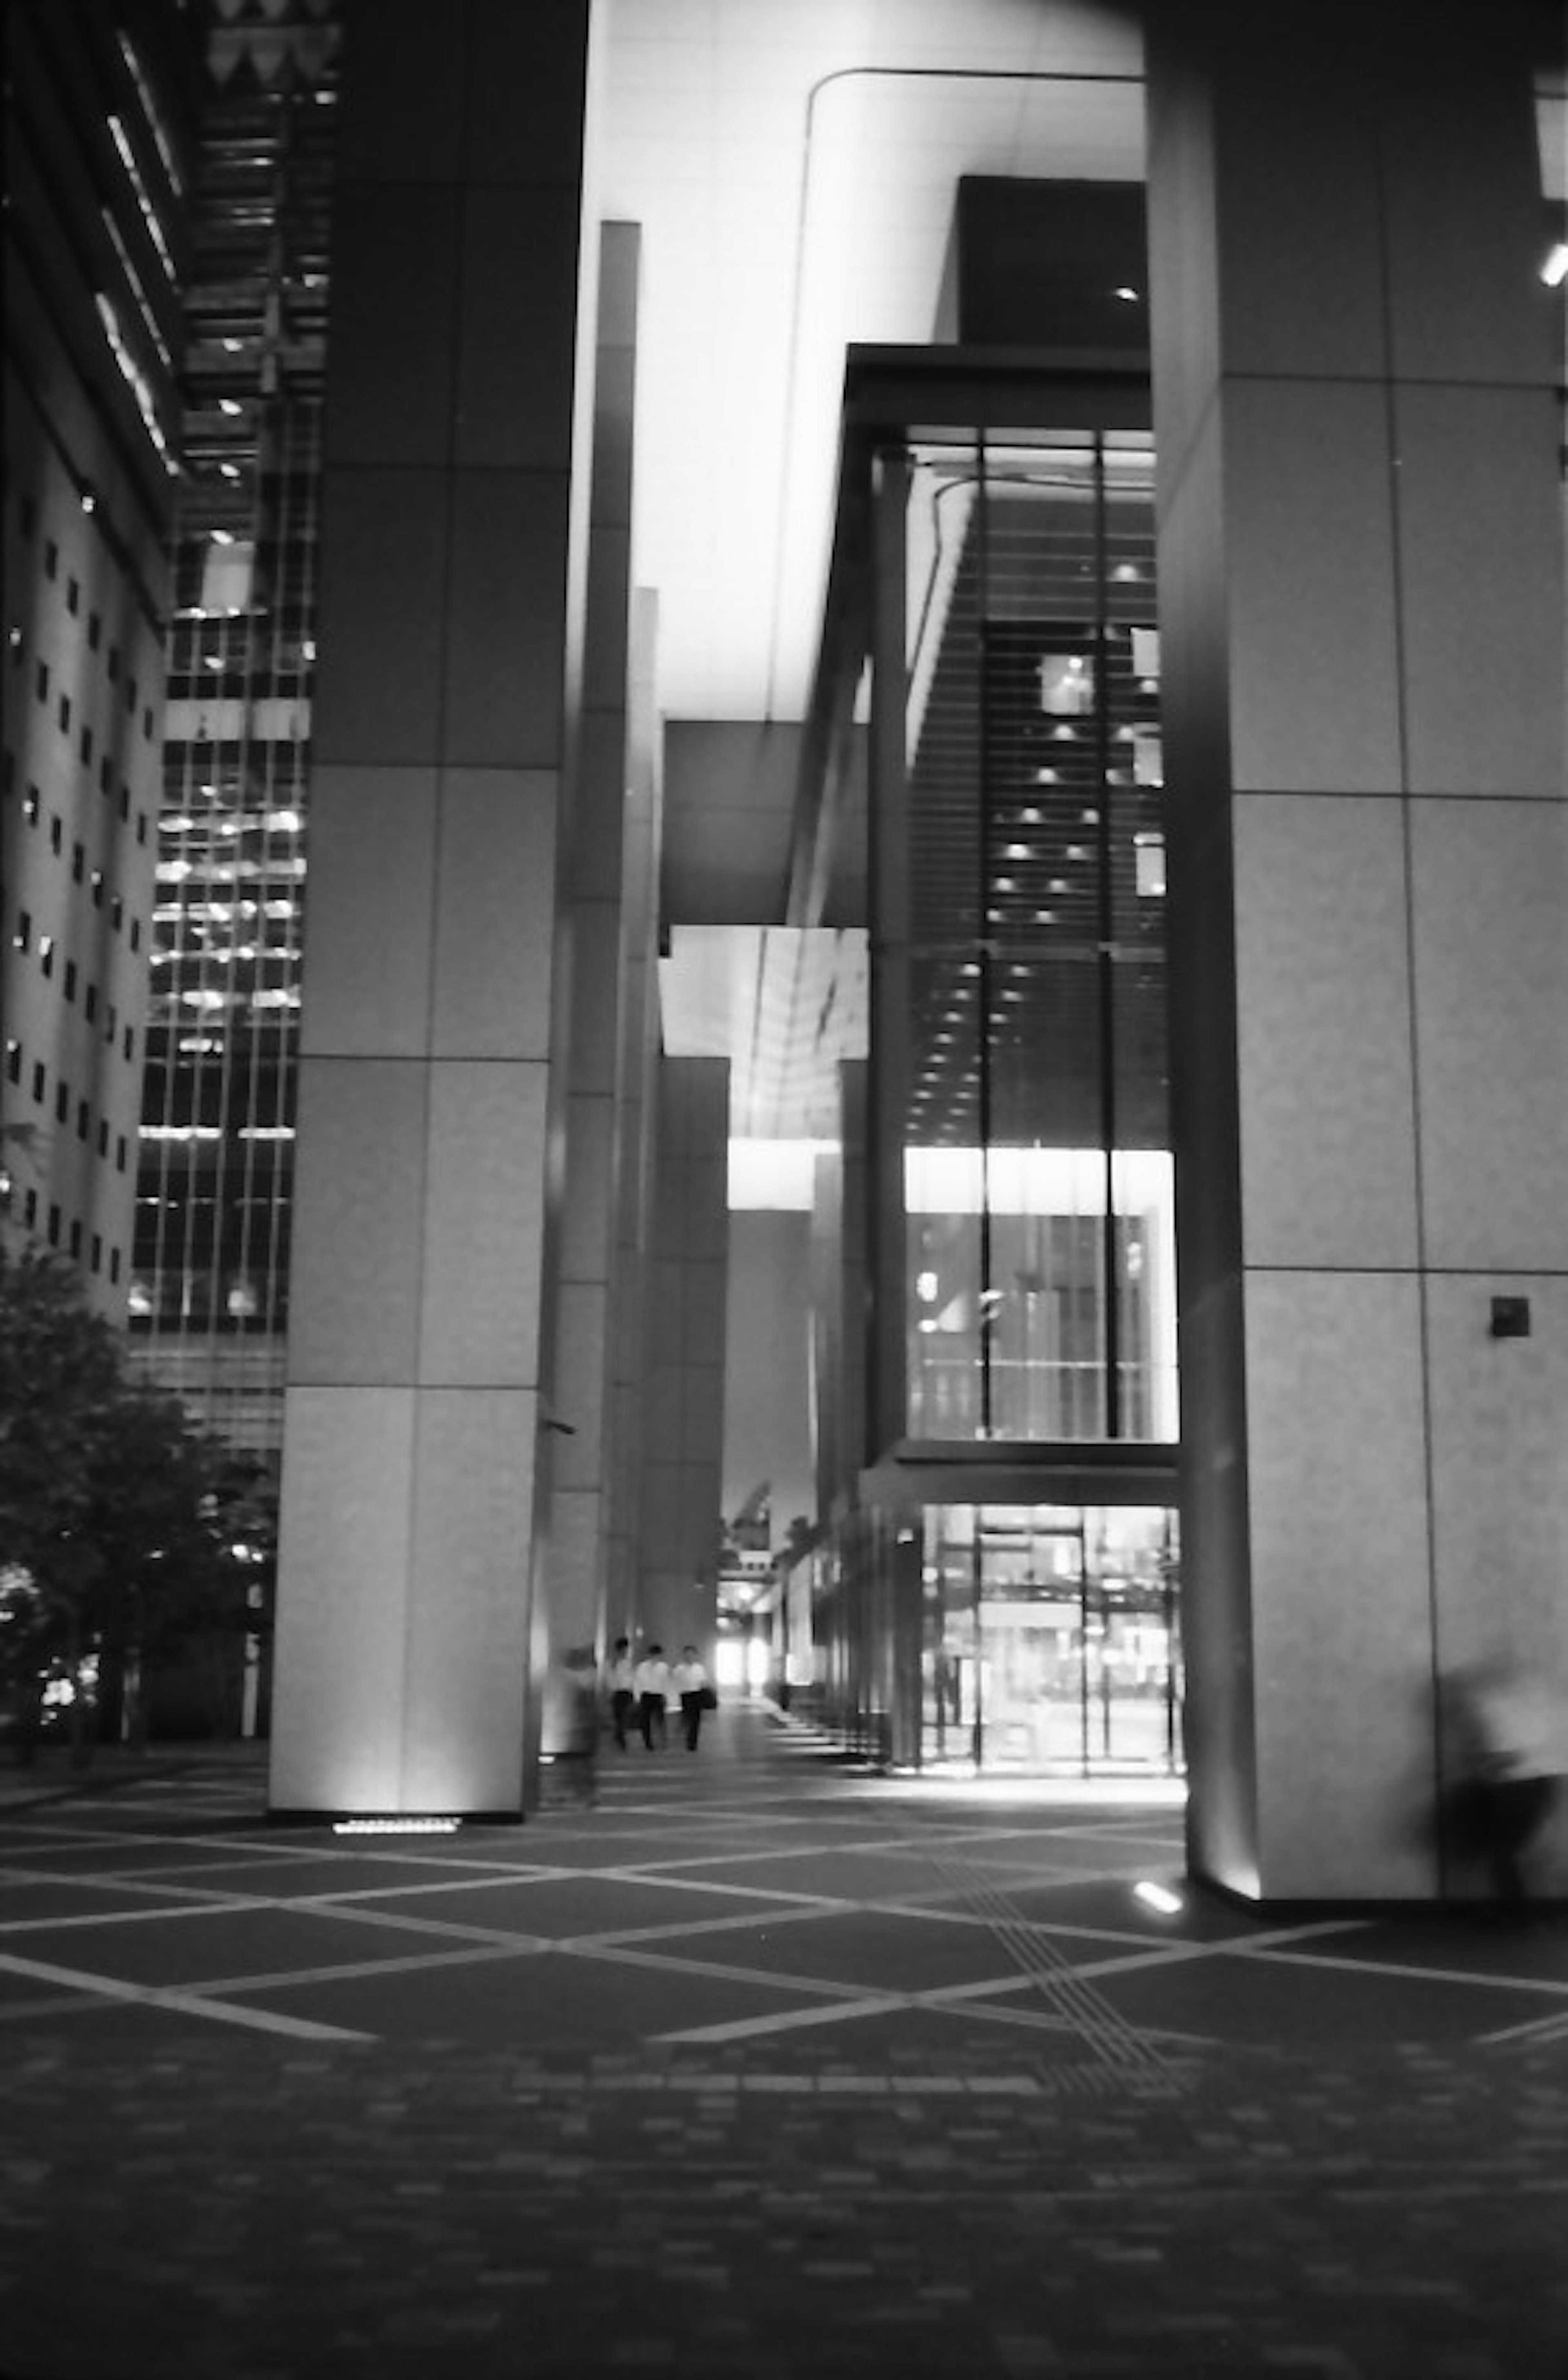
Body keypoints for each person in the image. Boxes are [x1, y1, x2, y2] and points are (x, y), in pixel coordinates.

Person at [1447, 1655, 1563, 1919]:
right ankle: (1516, 1911)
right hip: (1525, 1784)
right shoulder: (1498, 1712)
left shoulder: (1492, 1713)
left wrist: (1486, 1764)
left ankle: (1516, 1912)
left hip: (1521, 1785)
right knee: (1504, 1850)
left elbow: (1510, 1756)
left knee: (1502, 1850)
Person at [672, 1644, 713, 1751]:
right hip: (685, 1696)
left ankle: (692, 1743)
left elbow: (704, 1682)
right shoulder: (679, 1669)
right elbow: (674, 1680)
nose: (689, 1656)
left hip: (697, 1695)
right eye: (687, 1654)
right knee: (687, 1719)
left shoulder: (700, 1668)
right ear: (684, 1655)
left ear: (695, 1655)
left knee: (696, 1720)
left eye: (692, 1654)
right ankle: (685, 1737)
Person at [633, 1642, 670, 1750]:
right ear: (649, 1655)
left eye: (658, 1655)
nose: (655, 1658)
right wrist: (637, 1697)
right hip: (646, 1695)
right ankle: (648, 1743)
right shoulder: (642, 1667)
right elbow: (638, 1682)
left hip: (659, 1695)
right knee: (645, 1721)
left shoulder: (664, 1667)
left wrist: (666, 1696)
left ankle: (663, 1742)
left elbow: (666, 1683)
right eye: (653, 1655)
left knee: (660, 1720)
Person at [604, 1635, 636, 1751]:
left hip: (626, 1691)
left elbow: (632, 1678)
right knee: (619, 1716)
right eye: (624, 1649)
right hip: (617, 1692)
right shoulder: (611, 1662)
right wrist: (611, 1691)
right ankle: (619, 1736)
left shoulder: (628, 1663)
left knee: (624, 1716)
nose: (626, 1652)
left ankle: (620, 1737)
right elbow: (609, 1678)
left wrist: (633, 1691)